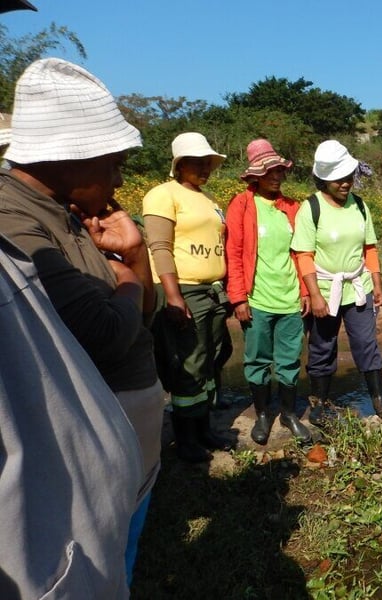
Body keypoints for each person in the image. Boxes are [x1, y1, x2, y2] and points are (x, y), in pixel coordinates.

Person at [0, 57, 165, 586]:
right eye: (113, 162)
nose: (120, 177)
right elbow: (107, 335)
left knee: (124, 551)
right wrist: (129, 281)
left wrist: (133, 260)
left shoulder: (72, 209)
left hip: (126, 439)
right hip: (89, 444)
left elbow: (145, 313)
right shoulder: (15, 217)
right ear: (69, 158)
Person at [143, 132, 234, 463]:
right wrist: (173, 295)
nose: (205, 168)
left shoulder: (208, 200)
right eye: (197, 162)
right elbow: (160, 247)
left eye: (207, 162)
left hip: (212, 290)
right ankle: (186, 439)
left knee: (212, 358)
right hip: (183, 288)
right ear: (179, 165)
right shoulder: (162, 195)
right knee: (187, 364)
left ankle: (205, 427)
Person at [290, 140, 382, 421]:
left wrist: (378, 283)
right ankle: (319, 403)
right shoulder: (310, 208)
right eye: (338, 179)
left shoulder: (360, 206)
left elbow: (369, 248)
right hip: (324, 289)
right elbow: (304, 255)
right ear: (324, 180)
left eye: (348, 177)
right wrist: (314, 295)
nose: (345, 184)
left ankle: (380, 401)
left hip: (357, 287)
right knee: (322, 347)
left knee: (366, 343)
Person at [225, 139, 312, 445]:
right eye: (269, 171)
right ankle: (262, 415)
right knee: (257, 360)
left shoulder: (291, 208)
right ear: (255, 175)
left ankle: (288, 414)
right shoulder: (242, 205)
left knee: (289, 360)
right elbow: (233, 253)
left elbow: (301, 253)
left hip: (289, 299)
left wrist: (304, 290)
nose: (276, 176)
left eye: (279, 171)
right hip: (257, 299)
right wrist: (238, 297)